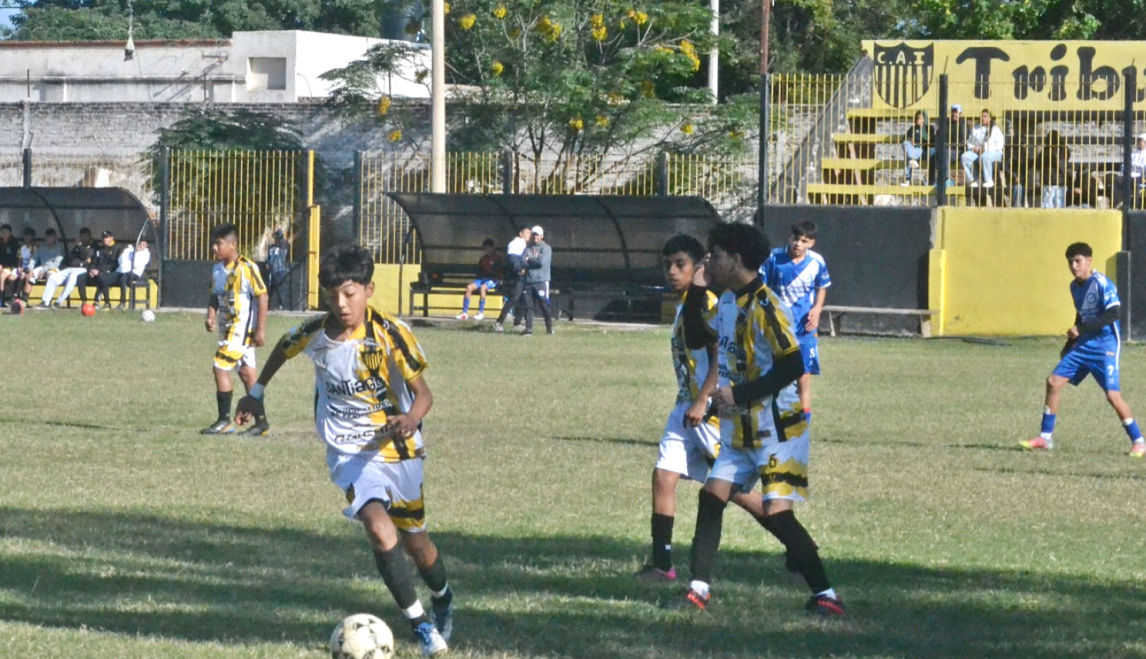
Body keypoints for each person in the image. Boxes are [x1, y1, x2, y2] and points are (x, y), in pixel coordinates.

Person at [233, 245, 453, 656]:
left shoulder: (391, 334)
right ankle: (422, 627)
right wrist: (257, 393)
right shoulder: (315, 333)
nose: (341, 303)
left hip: (398, 450)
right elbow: (283, 346)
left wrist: (409, 418)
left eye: (350, 294)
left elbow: (424, 394)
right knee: (376, 526)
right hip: (349, 452)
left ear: (369, 290)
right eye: (332, 294)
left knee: (417, 545)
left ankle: (442, 597)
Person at [666, 222, 843, 616]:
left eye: (717, 253)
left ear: (738, 259)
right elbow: (697, 338)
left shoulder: (767, 304)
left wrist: (740, 393)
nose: (710, 259)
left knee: (777, 514)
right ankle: (698, 589)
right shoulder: (727, 301)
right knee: (711, 497)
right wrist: (697, 288)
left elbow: (793, 363)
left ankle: (826, 595)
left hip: (778, 428)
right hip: (740, 427)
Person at [640, 234, 782, 582]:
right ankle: (662, 565)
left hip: (709, 410)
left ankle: (795, 544)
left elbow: (723, 354)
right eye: (667, 265)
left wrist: (704, 399)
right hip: (685, 406)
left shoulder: (708, 302)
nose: (672, 272)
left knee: (738, 493)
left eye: (680, 265)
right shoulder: (686, 302)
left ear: (698, 266)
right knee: (663, 476)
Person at [1021, 242, 1145, 458]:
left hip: (1105, 346)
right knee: (1053, 382)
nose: (1074, 266)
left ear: (1089, 260)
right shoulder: (1074, 286)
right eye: (1070, 262)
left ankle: (1139, 441)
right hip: (1083, 345)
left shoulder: (1102, 284)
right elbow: (1081, 315)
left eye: (1078, 261)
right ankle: (1045, 438)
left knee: (1112, 396)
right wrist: (1070, 344)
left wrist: (1081, 328)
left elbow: (1113, 314)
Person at [761, 220, 831, 423]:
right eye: (795, 239)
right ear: (789, 238)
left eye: (804, 241)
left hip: (804, 327)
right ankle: (771, 418)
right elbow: (761, 288)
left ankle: (804, 420)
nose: (798, 244)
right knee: (773, 374)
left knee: (804, 376)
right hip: (777, 326)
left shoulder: (817, 261)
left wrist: (817, 309)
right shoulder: (774, 258)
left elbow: (822, 286)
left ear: (811, 243)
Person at [203, 223, 269, 436]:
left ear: (233, 245)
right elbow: (215, 295)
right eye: (213, 243)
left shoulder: (247, 268)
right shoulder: (217, 269)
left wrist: (260, 329)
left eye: (218, 243)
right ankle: (261, 423)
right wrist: (211, 316)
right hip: (226, 330)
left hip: (241, 332)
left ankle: (224, 421)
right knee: (247, 374)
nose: (214, 247)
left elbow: (262, 295)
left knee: (219, 367)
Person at [37, 227, 96, 309]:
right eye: (82, 236)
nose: (84, 238)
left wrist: (79, 246)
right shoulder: (77, 246)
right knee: (52, 278)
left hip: (82, 269)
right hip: (71, 267)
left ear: (89, 236)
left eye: (86, 236)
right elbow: (70, 256)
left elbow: (84, 256)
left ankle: (58, 302)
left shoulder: (93, 246)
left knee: (72, 278)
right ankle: (45, 302)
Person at [493, 226, 532, 332]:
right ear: (521, 233)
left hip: (521, 276)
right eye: (527, 232)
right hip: (515, 276)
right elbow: (512, 259)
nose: (529, 235)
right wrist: (519, 270)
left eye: (530, 233)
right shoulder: (516, 243)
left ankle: (517, 323)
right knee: (513, 298)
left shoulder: (523, 244)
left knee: (523, 299)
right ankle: (499, 322)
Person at [455, 238, 503, 321]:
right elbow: (479, 270)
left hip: (493, 279)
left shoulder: (497, 258)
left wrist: (494, 273)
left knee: (483, 288)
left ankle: (480, 312)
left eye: (489, 248)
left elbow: (500, 271)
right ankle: (464, 313)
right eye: (485, 248)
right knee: (469, 287)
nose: (487, 250)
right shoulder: (483, 259)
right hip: (482, 279)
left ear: (492, 248)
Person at [521, 225, 553, 336]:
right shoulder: (528, 248)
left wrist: (530, 260)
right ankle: (528, 329)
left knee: (544, 305)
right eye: (534, 234)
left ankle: (549, 328)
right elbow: (523, 262)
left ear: (542, 236)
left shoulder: (546, 248)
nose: (535, 236)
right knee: (529, 306)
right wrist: (531, 260)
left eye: (537, 234)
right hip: (529, 281)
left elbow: (542, 262)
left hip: (541, 281)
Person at [962, 109, 1005, 188]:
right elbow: (969, 141)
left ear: (990, 118)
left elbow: (1000, 145)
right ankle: (973, 180)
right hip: (978, 152)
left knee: (985, 156)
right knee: (964, 157)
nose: (983, 118)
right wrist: (973, 148)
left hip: (994, 153)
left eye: (985, 116)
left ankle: (989, 180)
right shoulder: (975, 128)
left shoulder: (995, 129)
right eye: (981, 116)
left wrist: (985, 149)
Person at [23, 228, 64, 302]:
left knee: (50, 275)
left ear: (55, 237)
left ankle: (46, 301)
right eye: (47, 237)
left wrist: (44, 270)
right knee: (30, 274)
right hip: (41, 268)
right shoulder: (42, 247)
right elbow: (34, 258)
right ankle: (24, 299)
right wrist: (30, 268)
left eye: (50, 237)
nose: (48, 239)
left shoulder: (59, 248)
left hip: (54, 269)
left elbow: (56, 264)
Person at [89, 231, 126, 309]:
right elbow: (94, 261)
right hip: (98, 272)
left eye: (107, 238)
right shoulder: (100, 249)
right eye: (103, 238)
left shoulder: (117, 248)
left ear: (111, 238)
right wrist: (92, 269)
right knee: (83, 277)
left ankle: (101, 301)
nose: (105, 240)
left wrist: (100, 271)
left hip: (111, 272)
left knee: (102, 278)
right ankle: (86, 301)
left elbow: (113, 264)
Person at [115, 238, 151, 309]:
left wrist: (136, 253)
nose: (141, 246)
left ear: (146, 245)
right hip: (124, 271)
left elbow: (136, 265)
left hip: (136, 273)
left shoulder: (146, 254)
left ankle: (123, 301)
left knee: (123, 277)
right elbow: (121, 260)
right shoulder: (129, 250)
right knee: (121, 276)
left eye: (143, 245)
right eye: (140, 244)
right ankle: (122, 301)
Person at [1113, 134, 1146, 210]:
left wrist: (1132, 166)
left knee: (1134, 182)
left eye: (1141, 141)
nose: (1139, 143)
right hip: (1129, 175)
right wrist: (1136, 166)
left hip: (1141, 175)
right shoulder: (1133, 154)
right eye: (1138, 141)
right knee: (1117, 180)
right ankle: (1117, 203)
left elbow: (1144, 168)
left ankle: (1135, 205)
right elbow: (1124, 166)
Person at [901, 110, 934, 186]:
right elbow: (904, 138)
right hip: (912, 148)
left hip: (921, 148)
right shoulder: (913, 128)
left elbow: (928, 139)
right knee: (906, 144)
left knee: (908, 158)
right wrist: (910, 139)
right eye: (918, 118)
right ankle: (913, 159)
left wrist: (921, 129)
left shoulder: (929, 128)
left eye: (921, 118)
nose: (919, 120)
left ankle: (907, 179)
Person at [1038, 129, 1070, 209]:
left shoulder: (1046, 150)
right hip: (1060, 180)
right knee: (1059, 204)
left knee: (1047, 204)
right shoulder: (1063, 149)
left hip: (1049, 180)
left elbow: (1038, 163)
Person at [265, 229, 292, 310]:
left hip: (280, 270)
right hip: (272, 270)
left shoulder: (283, 246)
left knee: (280, 288)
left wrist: (281, 240)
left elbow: (286, 248)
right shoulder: (271, 248)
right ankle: (268, 305)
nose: (275, 239)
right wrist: (267, 263)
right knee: (271, 289)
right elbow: (269, 258)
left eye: (277, 238)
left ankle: (282, 305)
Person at [944, 104, 969, 185]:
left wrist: (949, 145)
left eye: (956, 112)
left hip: (959, 150)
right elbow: (939, 135)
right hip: (948, 149)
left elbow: (963, 142)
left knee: (945, 152)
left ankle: (946, 178)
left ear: (960, 113)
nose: (954, 114)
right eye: (953, 112)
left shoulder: (963, 124)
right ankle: (933, 180)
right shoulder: (947, 123)